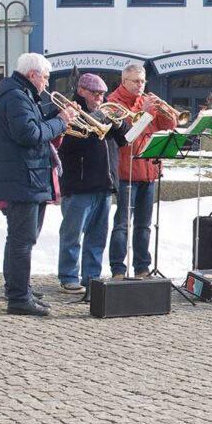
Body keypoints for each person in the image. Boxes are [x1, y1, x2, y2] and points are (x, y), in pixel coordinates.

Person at [0, 52, 77, 316]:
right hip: (24, 180)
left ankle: (18, 288)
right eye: (46, 78)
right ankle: (18, 297)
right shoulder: (17, 97)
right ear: (32, 75)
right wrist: (61, 121)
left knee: (19, 240)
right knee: (22, 241)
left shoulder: (20, 95)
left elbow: (34, 124)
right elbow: (30, 134)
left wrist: (57, 115)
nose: (47, 84)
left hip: (26, 178)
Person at [56, 73, 131, 294]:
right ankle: (68, 276)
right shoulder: (70, 111)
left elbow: (126, 139)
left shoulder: (106, 112)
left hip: (105, 183)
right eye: (95, 93)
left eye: (101, 94)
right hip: (79, 183)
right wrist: (92, 122)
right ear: (81, 91)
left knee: (97, 237)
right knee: (73, 234)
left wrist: (117, 124)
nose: (99, 98)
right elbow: (65, 143)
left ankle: (92, 277)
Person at [107, 63, 177, 279]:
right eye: (136, 81)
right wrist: (143, 111)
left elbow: (169, 125)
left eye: (143, 81)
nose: (140, 85)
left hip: (149, 170)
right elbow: (126, 131)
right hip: (126, 171)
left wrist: (165, 109)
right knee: (122, 225)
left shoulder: (146, 99)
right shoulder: (113, 102)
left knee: (144, 225)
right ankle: (118, 269)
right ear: (124, 81)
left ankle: (142, 268)